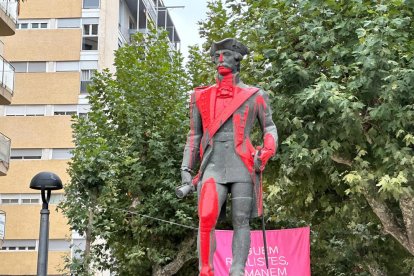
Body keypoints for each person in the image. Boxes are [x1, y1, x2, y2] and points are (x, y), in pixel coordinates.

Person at [181, 38, 278, 276]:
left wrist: (265, 152)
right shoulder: (199, 96)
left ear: (238, 59)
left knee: (241, 220)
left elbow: (270, 127)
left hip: (243, 163)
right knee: (206, 217)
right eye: (216, 56)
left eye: (225, 54)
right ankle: (205, 270)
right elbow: (194, 135)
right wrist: (186, 168)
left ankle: (237, 271)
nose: (220, 59)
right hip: (212, 164)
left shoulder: (255, 95)